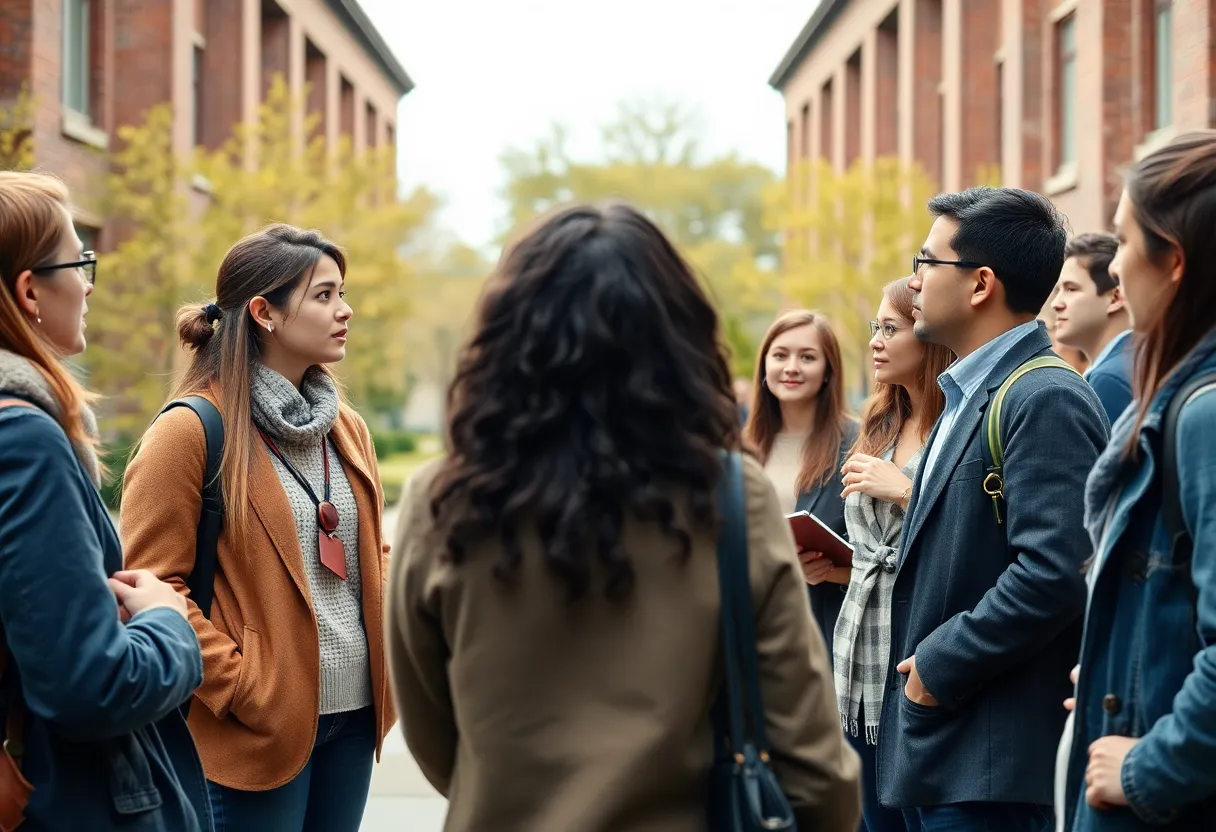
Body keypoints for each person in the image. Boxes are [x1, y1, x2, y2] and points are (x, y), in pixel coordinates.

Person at [385, 202, 862, 832]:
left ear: (507, 334)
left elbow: (432, 733)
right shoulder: (728, 495)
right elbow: (814, 764)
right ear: (676, 339)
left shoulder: (438, 499)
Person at [121, 224, 393, 831]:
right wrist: (246, 688)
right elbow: (146, 584)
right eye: (323, 295)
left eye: (342, 293)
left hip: (354, 719)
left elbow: (370, 552)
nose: (345, 310)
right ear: (265, 312)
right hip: (251, 732)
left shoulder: (346, 429)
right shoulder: (189, 432)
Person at [878, 187, 1109, 832]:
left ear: (980, 284)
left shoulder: (1044, 396)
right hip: (941, 751)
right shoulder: (966, 394)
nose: (915, 279)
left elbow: (1055, 569)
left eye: (928, 261)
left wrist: (937, 665)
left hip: (987, 765)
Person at [0, 170, 207, 830]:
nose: (88, 284)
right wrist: (169, 624)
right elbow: (92, 686)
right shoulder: (24, 442)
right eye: (79, 259)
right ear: (30, 289)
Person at [1061, 131, 1216, 831]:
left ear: (1174, 261)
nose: (1115, 267)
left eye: (1123, 241)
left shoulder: (1204, 414)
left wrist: (1150, 766)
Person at [834, 277, 953, 832]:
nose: (876, 342)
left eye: (891, 327)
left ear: (927, 336)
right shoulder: (879, 423)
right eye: (874, 328)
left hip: (917, 652)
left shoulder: (957, 426)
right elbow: (874, 550)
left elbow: (964, 536)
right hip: (858, 659)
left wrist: (905, 490)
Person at [745, 310, 858, 654]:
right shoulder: (740, 445)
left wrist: (830, 572)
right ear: (764, 365)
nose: (791, 367)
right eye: (780, 355)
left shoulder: (860, 442)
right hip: (750, 625)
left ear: (828, 371)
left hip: (823, 633)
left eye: (807, 357)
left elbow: (886, 555)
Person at [1050, 232, 1133, 422]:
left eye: (1071, 289)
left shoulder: (1109, 379)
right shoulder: (1134, 362)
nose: (1056, 303)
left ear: (1115, 298)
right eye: (1058, 290)